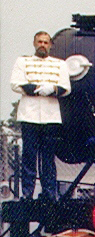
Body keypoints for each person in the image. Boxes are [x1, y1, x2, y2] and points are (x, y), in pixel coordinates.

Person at [9, 31, 71, 201]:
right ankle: (27, 193)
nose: (42, 45)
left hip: (50, 116)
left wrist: (53, 89)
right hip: (29, 114)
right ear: (34, 43)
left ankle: (49, 192)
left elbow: (66, 87)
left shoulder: (60, 64)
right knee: (29, 155)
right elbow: (15, 83)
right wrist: (37, 89)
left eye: (46, 42)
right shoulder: (23, 61)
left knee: (48, 157)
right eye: (39, 42)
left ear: (50, 45)